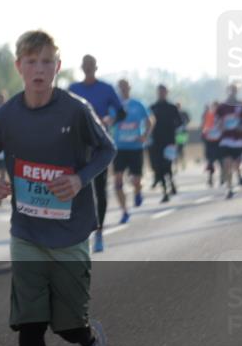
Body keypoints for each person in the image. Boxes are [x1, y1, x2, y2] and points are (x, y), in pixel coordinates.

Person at [0, 30, 116, 346]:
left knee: (69, 325)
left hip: (70, 233)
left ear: (57, 66)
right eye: (31, 62)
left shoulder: (75, 109)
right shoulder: (6, 116)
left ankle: (89, 342)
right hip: (27, 233)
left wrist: (79, 179)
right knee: (30, 321)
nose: (39, 69)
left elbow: (107, 150)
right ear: (19, 66)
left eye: (47, 61)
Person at [67, 55, 124, 253]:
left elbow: (121, 112)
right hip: (77, 147)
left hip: (100, 146)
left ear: (96, 67)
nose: (88, 68)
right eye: (86, 65)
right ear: (82, 67)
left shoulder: (106, 89)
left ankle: (99, 232)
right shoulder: (74, 89)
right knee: (76, 189)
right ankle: (77, 234)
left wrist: (109, 119)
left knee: (99, 190)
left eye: (91, 65)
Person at [112, 79, 152, 219]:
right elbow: (107, 121)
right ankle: (124, 211)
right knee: (117, 181)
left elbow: (149, 121)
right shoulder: (114, 106)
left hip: (135, 147)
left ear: (130, 88)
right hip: (119, 148)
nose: (123, 89)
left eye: (125, 87)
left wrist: (145, 136)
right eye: (120, 87)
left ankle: (137, 192)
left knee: (136, 180)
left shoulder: (138, 104)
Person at [215, 84, 242, 200]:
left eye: (234, 90)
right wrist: (220, 127)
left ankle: (240, 176)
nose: (232, 92)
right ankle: (229, 188)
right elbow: (217, 121)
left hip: (238, 140)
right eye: (230, 90)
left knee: (236, 165)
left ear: (237, 91)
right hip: (226, 139)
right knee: (226, 164)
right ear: (227, 91)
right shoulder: (222, 107)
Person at [148, 85, 182, 203]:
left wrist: (172, 129)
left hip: (169, 142)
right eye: (160, 91)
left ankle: (171, 182)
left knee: (167, 165)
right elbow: (147, 123)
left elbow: (180, 123)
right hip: (156, 142)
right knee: (158, 167)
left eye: (163, 91)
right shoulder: (152, 107)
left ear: (167, 92)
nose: (161, 93)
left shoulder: (172, 107)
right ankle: (165, 191)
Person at [201, 101, 222, 187]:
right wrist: (204, 136)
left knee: (221, 160)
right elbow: (205, 128)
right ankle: (210, 178)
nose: (215, 108)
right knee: (210, 161)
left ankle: (223, 177)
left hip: (219, 140)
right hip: (210, 141)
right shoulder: (209, 115)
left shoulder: (221, 116)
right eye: (214, 107)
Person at [175, 103, 190, 173]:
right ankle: (176, 165)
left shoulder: (184, 113)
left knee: (180, 148)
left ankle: (183, 162)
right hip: (175, 133)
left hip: (182, 133)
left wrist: (184, 125)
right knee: (175, 149)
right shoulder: (173, 113)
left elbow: (188, 120)